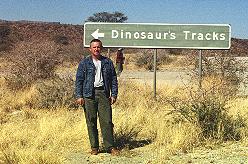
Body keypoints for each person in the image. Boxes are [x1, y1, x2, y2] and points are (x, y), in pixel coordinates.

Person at [75, 39, 119, 156]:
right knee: (91, 121)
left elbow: (114, 79)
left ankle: (110, 146)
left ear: (101, 48)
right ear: (90, 49)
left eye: (98, 47)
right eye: (94, 47)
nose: (96, 49)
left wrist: (114, 94)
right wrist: (79, 96)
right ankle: (94, 147)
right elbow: (79, 80)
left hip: (103, 93)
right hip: (89, 95)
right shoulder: (84, 63)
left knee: (107, 121)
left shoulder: (107, 62)